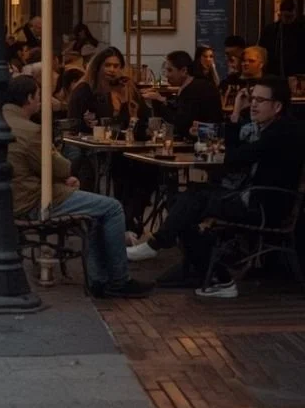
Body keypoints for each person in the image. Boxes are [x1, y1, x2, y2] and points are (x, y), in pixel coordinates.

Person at [128, 76, 305, 298]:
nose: (254, 105)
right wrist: (220, 122)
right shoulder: (257, 129)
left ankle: (166, 249)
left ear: (277, 106)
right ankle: (212, 275)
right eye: (252, 99)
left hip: (264, 205)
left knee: (192, 202)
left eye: (260, 100)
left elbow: (242, 156)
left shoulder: (284, 132)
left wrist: (217, 149)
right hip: (247, 196)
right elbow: (233, 134)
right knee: (186, 201)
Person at [0, 76, 150, 298]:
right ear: (29, 98)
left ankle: (99, 278)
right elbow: (61, 167)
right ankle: (119, 279)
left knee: (98, 210)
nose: (40, 102)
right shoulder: (30, 131)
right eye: (39, 97)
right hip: (36, 200)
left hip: (13, 196)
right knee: (112, 208)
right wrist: (62, 175)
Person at [142, 50, 224, 138]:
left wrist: (160, 104)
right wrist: (161, 99)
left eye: (170, 70)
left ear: (184, 71)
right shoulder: (193, 85)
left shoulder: (195, 89)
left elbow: (180, 122)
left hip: (206, 144)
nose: (166, 75)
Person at [68, 46, 149, 133]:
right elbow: (74, 125)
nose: (112, 70)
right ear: (98, 67)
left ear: (121, 68)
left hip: (126, 140)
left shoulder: (128, 87)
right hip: (91, 141)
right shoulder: (85, 89)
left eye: (116, 66)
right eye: (107, 65)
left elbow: (144, 120)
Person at [259, 0, 305, 78]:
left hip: (297, 73)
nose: (287, 19)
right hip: (275, 72)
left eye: (290, 16)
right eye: (285, 16)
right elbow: (262, 51)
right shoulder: (271, 30)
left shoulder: (302, 29)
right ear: (280, 14)